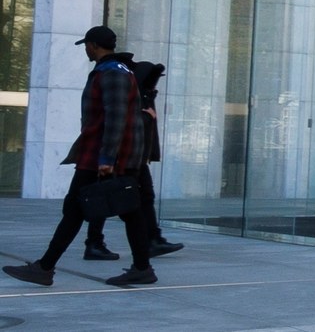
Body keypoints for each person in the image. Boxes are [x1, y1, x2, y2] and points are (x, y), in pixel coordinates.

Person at [3, 26, 158, 287]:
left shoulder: (112, 73)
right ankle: (142, 268)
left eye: (86, 45)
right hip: (111, 155)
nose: (85, 49)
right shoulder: (115, 71)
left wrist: (107, 159)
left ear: (94, 45)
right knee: (130, 211)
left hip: (103, 156)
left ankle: (45, 267)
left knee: (75, 209)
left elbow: (116, 117)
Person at [84, 61, 184, 261]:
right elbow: (123, 123)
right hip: (125, 158)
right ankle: (104, 245)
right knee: (110, 200)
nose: (155, 85)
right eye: (152, 80)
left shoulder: (144, 95)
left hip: (135, 158)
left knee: (141, 198)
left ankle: (149, 242)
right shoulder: (134, 95)